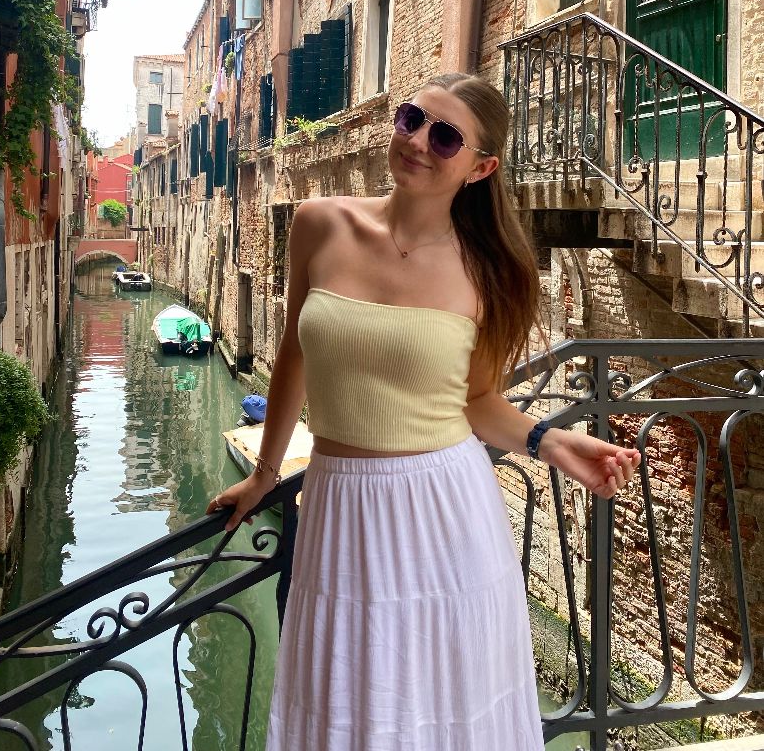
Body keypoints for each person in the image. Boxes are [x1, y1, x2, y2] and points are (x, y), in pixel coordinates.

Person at [207, 73, 640, 750]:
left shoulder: (490, 271)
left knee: (442, 710)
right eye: (411, 119)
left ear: (481, 167)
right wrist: (266, 471)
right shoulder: (321, 225)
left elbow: (472, 401)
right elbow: (293, 352)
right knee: (344, 703)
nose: (416, 142)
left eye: (444, 137)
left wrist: (550, 441)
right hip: (338, 504)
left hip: (444, 509)